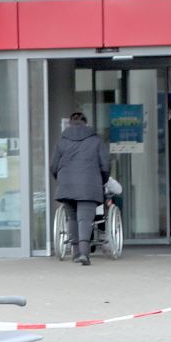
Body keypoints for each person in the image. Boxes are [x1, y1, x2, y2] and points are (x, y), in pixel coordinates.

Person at [50, 112, 110, 266]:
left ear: (70, 124)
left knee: (73, 218)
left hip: (67, 185)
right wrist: (101, 180)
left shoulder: (62, 141)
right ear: (86, 124)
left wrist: (62, 179)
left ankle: (76, 253)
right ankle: (84, 253)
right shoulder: (96, 140)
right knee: (85, 219)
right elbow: (105, 166)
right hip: (89, 185)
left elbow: (53, 166)